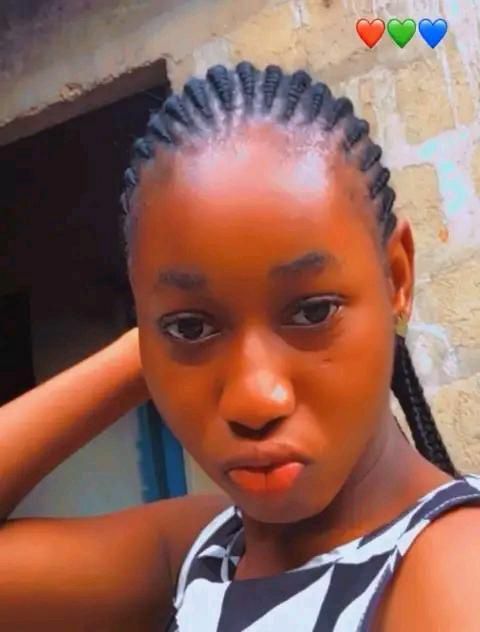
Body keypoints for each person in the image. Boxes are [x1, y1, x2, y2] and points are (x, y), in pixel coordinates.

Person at [0, 62, 479, 631]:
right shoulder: (207, 553)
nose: (255, 400)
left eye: (312, 312)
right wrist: (150, 341)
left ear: (396, 277)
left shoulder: (451, 571)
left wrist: (181, 322)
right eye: (190, 329)